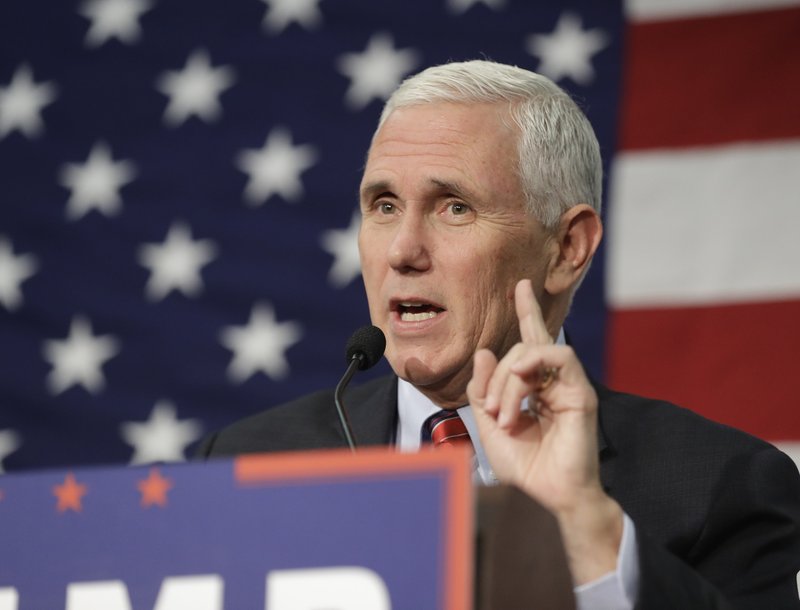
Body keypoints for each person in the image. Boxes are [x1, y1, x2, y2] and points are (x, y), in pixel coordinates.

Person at [196, 60, 800, 608]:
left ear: (567, 248)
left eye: (454, 207)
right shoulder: (246, 466)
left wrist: (583, 529)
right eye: (383, 205)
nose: (403, 251)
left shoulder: (721, 485)